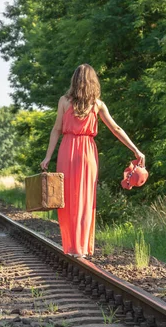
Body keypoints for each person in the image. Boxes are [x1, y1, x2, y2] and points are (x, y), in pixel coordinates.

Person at [40, 64, 145, 257]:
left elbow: (56, 129)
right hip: (87, 153)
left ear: (74, 80)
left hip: (67, 150)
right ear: (93, 82)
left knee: (68, 199)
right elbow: (116, 129)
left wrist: (48, 156)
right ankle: (82, 248)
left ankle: (72, 246)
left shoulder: (64, 101)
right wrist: (136, 150)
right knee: (86, 199)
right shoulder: (97, 104)